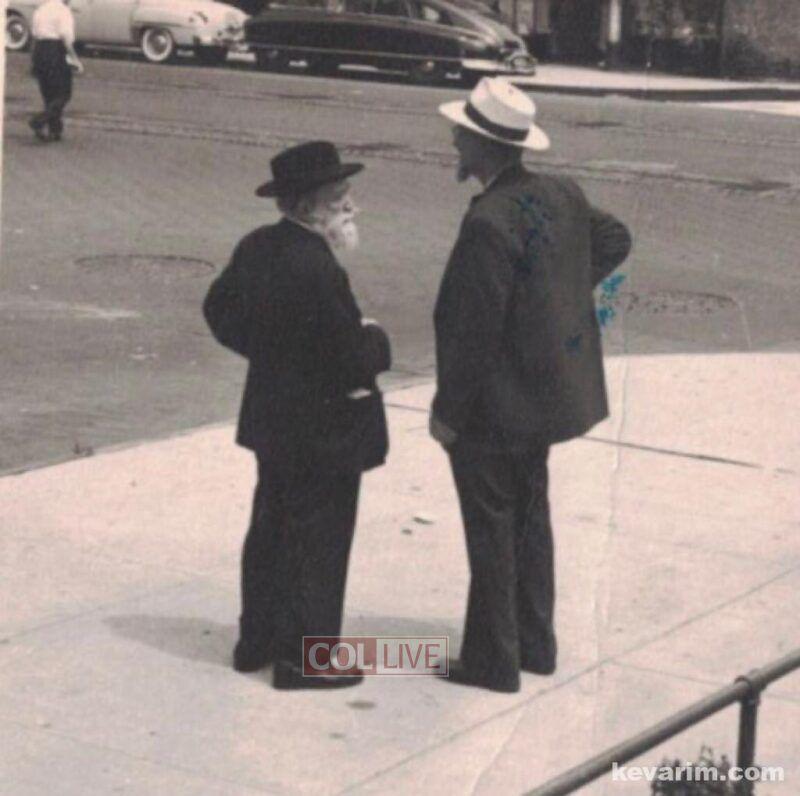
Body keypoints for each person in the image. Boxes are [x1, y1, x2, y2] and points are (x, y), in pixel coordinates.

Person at [431, 78, 631, 693]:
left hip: (493, 409)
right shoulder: (560, 192)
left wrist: (448, 414)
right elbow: (615, 238)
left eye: (461, 133)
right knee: (530, 519)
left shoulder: (488, 221)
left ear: (482, 145)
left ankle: (492, 661)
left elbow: (472, 333)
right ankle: (535, 645)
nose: (454, 139)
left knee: (490, 526)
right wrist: (557, 296)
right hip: (544, 401)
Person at [203, 141, 391, 690]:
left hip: (272, 419)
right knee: (320, 543)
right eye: (341, 199)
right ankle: (306, 660)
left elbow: (218, 311)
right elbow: (350, 358)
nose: (351, 207)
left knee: (270, 529)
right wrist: (376, 340)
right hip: (324, 429)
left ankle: (255, 641)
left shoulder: (258, 245)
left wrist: (267, 352)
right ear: (312, 207)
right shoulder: (317, 268)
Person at [29, 0, 83, 142]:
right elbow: (66, 38)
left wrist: (33, 61)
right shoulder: (63, 11)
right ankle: (40, 120)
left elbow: (34, 35)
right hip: (55, 50)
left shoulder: (40, 10)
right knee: (64, 92)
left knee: (48, 93)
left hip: (39, 50)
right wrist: (75, 58)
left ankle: (55, 130)